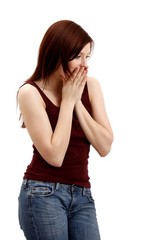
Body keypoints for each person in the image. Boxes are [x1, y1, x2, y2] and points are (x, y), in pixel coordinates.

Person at [16, 20, 114, 240]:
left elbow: (105, 145)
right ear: (58, 54)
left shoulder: (92, 86)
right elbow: (55, 156)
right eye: (78, 56)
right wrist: (68, 102)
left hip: (82, 194)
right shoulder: (30, 93)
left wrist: (77, 101)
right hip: (42, 193)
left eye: (87, 56)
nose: (85, 65)